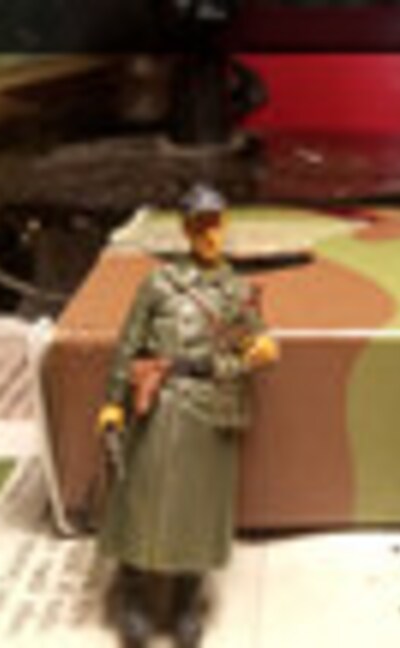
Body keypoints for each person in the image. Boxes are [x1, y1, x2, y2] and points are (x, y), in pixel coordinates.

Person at [95, 184, 279, 648]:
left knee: (198, 506)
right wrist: (113, 401)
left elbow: (254, 335)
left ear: (226, 225)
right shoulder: (159, 284)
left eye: (215, 224)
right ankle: (132, 594)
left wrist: (261, 346)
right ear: (186, 229)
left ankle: (186, 598)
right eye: (199, 225)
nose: (209, 234)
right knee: (142, 498)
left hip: (210, 404)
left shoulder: (236, 291)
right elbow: (128, 344)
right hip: (157, 402)